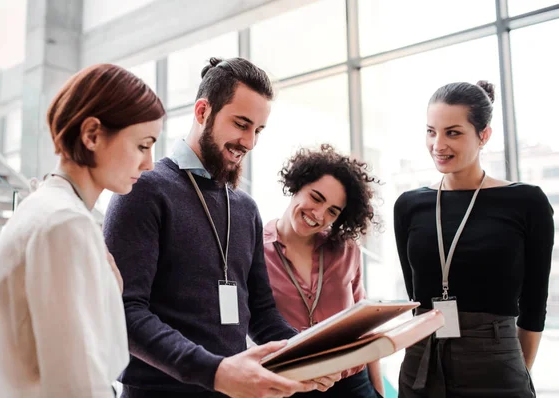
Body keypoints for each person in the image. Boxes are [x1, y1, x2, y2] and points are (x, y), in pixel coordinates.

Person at [103, 57, 339, 398]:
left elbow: (262, 314)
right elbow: (124, 312)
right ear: (202, 112)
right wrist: (215, 371)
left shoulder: (245, 209)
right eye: (241, 124)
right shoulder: (144, 189)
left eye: (258, 130)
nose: (249, 142)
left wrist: (307, 355)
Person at [0, 63, 165, 398]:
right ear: (92, 134)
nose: (149, 163)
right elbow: (78, 385)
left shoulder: (47, 209)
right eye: (142, 145)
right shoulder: (65, 223)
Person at [394, 80, 554, 397]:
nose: (438, 144)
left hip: (495, 361)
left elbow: (534, 307)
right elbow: (416, 297)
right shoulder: (409, 206)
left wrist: (515, 370)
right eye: (431, 131)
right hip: (422, 362)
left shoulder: (526, 202)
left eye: (452, 132)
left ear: (484, 135)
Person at [263, 144, 385, 398]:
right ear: (297, 185)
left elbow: (364, 326)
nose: (318, 214)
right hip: (289, 385)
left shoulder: (347, 250)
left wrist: (379, 392)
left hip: (352, 384)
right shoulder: (254, 249)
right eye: (316, 197)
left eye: (332, 211)